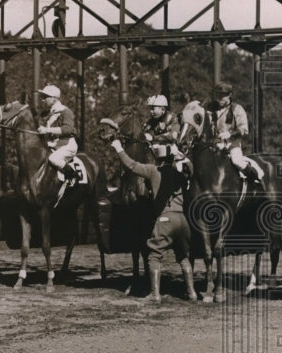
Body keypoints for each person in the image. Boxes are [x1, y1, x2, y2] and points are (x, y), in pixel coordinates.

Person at [110, 138, 197, 302]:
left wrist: (119, 149)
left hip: (165, 219)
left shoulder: (152, 170)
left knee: (154, 257)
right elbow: (190, 169)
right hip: (183, 220)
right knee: (183, 256)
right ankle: (191, 292)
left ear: (157, 156)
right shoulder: (180, 173)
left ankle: (155, 294)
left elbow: (132, 165)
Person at [208, 82, 264, 183]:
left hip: (232, 144)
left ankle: (256, 180)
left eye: (223, 96)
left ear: (229, 95)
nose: (220, 98)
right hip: (214, 144)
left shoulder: (237, 109)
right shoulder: (210, 109)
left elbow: (244, 129)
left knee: (237, 161)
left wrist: (229, 134)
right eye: (218, 95)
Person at [36, 84, 79, 182]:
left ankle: (73, 176)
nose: (42, 100)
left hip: (66, 145)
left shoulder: (66, 111)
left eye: (45, 97)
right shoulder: (44, 114)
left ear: (54, 98)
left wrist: (47, 130)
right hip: (51, 145)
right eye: (42, 97)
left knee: (53, 159)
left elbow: (68, 129)